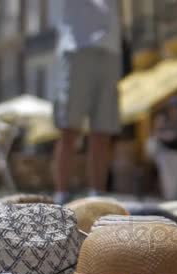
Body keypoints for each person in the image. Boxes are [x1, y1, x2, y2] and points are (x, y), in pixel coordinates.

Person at [52, 0, 122, 204]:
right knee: (69, 128)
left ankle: (97, 195)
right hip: (77, 46)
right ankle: (62, 195)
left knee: (103, 130)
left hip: (110, 49)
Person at [151, 99, 177, 201]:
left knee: (176, 176)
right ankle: (168, 198)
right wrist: (167, 136)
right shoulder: (161, 119)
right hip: (164, 151)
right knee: (166, 177)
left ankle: (175, 199)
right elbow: (156, 134)